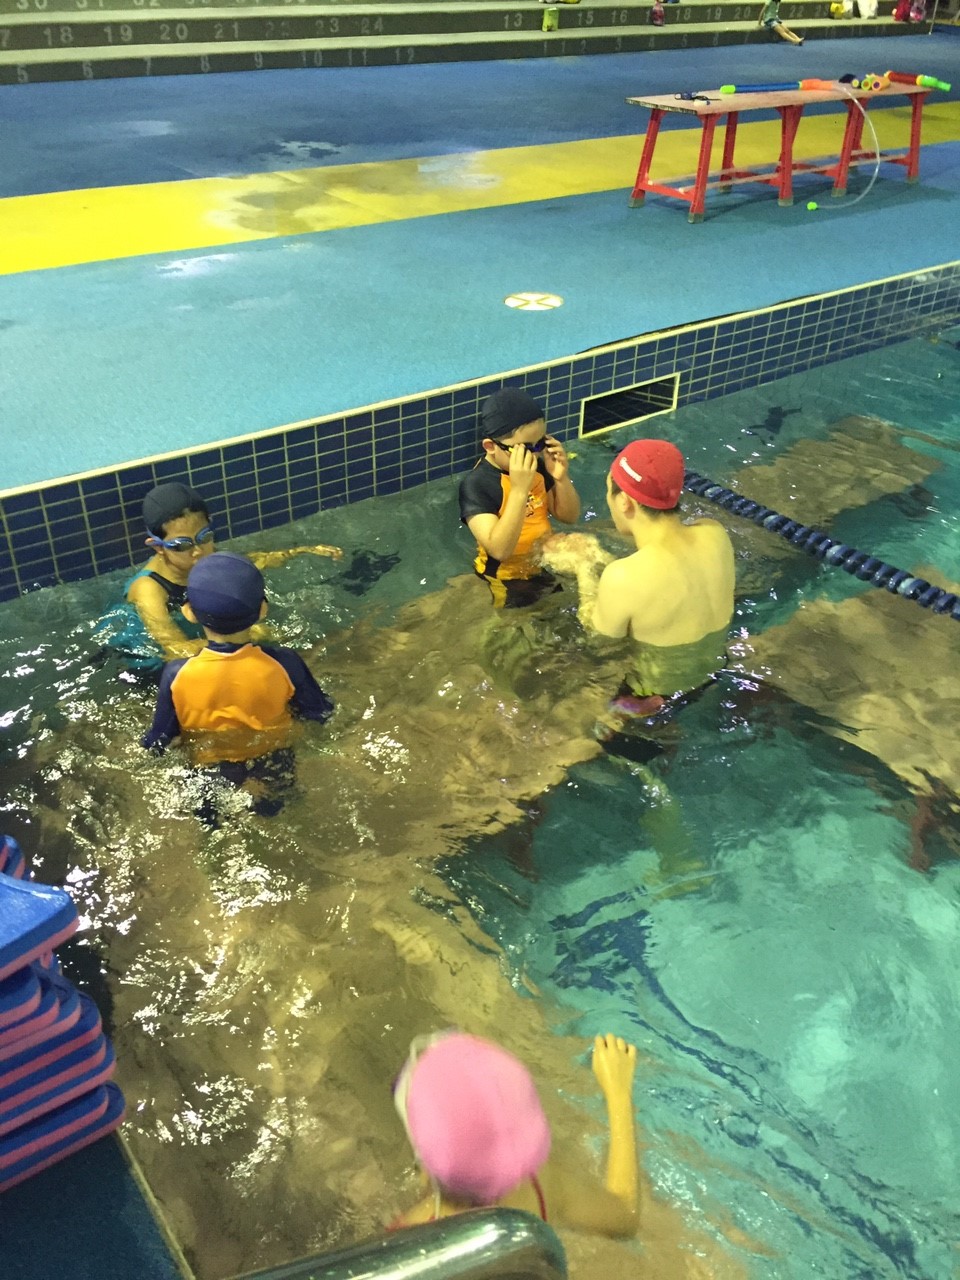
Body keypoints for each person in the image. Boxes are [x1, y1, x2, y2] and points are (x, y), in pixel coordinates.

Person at [542, 438, 735, 713]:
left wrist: (583, 567)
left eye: (609, 492)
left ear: (624, 501)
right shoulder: (714, 533)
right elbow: (660, 582)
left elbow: (599, 639)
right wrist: (602, 558)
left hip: (653, 698)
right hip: (717, 673)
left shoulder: (623, 577)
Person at [389, 1030, 639, 1237]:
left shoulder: (409, 1241)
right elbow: (624, 1216)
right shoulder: (541, 1189)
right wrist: (619, 1095)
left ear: (424, 1170)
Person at [141, 552, 334, 818]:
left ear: (189, 613)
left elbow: (159, 738)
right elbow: (320, 712)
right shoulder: (285, 663)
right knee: (278, 814)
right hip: (273, 758)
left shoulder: (177, 674)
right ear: (262, 610)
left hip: (208, 768)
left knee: (211, 827)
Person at [95, 482, 342, 677]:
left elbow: (251, 561)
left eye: (204, 537)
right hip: (149, 670)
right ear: (157, 547)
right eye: (182, 545)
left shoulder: (202, 554)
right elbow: (175, 650)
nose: (198, 551)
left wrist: (301, 551)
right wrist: (245, 636)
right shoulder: (149, 589)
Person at [458, 388, 581, 608]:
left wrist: (561, 478)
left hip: (540, 565)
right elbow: (499, 550)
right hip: (504, 579)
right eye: (524, 449)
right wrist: (519, 490)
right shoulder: (477, 485)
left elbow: (569, 517)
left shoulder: (538, 468)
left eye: (539, 444)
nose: (534, 454)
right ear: (490, 446)